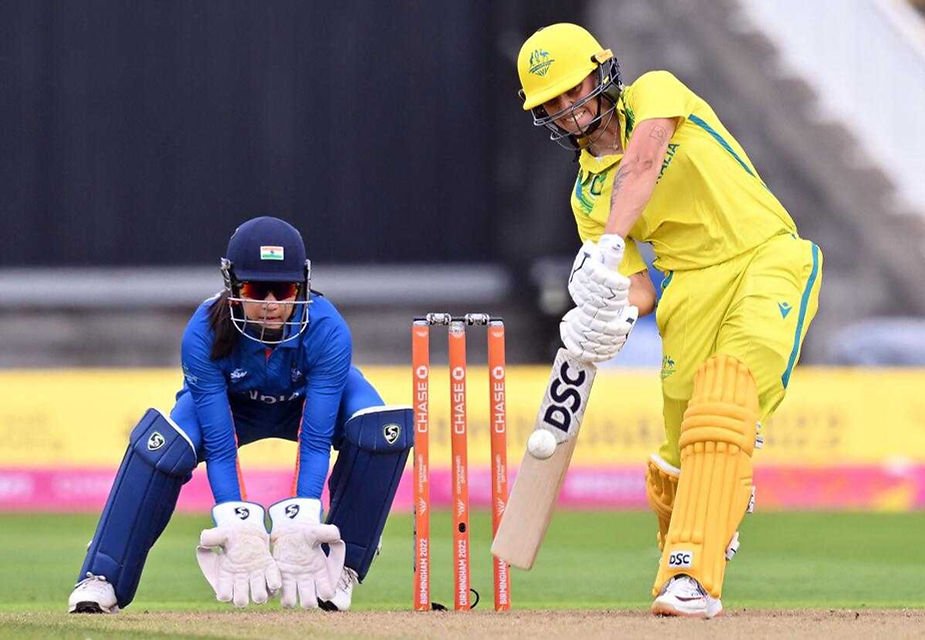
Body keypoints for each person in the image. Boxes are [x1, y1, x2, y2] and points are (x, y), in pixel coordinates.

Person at [517, 24, 822, 618]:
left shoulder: (656, 91)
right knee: (673, 464)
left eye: (570, 88)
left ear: (600, 71)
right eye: (550, 103)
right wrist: (600, 315)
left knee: (723, 403)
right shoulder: (586, 198)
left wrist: (607, 243)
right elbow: (636, 289)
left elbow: (645, 160)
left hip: (764, 257)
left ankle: (693, 580)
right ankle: (712, 508)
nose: (567, 109)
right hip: (686, 296)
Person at [67, 216, 412, 613]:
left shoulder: (328, 329)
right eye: (255, 289)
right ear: (232, 286)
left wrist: (301, 516)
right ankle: (102, 578)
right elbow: (218, 443)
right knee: (160, 446)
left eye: (283, 291)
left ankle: (341, 568)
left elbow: (315, 439)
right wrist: (237, 519)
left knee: (380, 428)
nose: (270, 305)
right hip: (235, 409)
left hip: (306, 405)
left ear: (301, 285)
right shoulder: (202, 332)